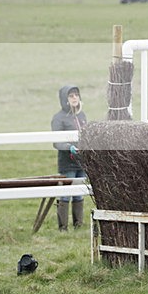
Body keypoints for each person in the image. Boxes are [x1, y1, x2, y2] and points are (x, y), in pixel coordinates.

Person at [51, 85, 87, 231]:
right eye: (71, 95)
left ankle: (78, 225)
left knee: (79, 193)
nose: (74, 98)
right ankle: (63, 227)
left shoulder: (82, 115)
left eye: (76, 95)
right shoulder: (58, 118)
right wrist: (69, 147)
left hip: (81, 162)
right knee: (65, 194)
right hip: (67, 163)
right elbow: (57, 142)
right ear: (64, 99)